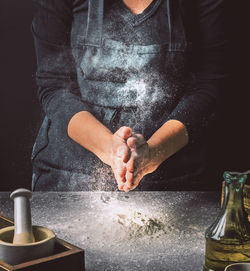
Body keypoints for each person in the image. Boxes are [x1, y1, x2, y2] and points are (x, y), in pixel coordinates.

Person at [31, 0, 227, 191]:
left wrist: (152, 153)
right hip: (69, 173)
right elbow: (54, 86)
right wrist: (111, 149)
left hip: (175, 174)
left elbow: (208, 87)